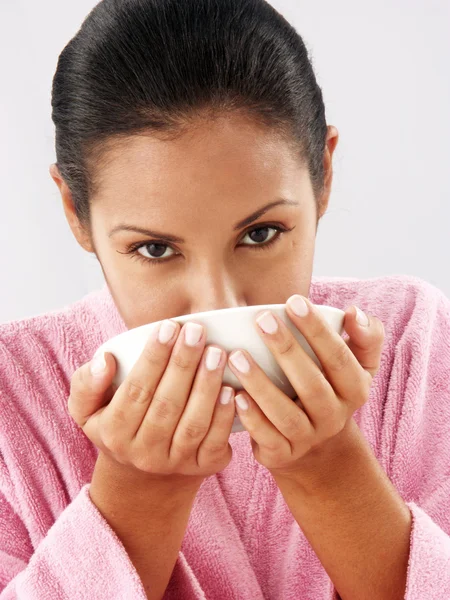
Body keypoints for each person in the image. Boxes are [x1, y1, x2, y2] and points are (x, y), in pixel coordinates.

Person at [1, 0, 449, 598]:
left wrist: (331, 473)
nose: (218, 303)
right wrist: (135, 498)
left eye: (260, 235)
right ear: (74, 212)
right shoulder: (13, 395)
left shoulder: (413, 345)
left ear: (322, 174)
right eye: (156, 249)